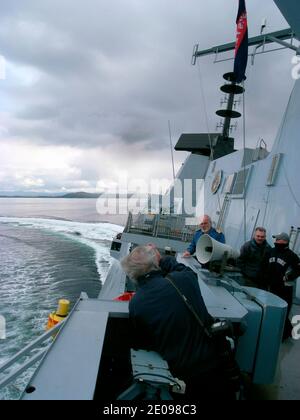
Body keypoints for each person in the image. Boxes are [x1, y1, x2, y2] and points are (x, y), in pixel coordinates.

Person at [121, 244, 236, 400]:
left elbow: (143, 341)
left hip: (184, 375)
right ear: (156, 263)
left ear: (132, 274)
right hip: (216, 363)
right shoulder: (184, 280)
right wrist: (162, 260)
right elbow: (184, 270)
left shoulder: (136, 303)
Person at [262, 232, 300, 340]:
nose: (276, 241)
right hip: (271, 287)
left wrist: (288, 277)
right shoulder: (270, 251)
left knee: (283, 311)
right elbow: (263, 265)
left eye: (278, 239)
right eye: (276, 239)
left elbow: (298, 269)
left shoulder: (292, 256)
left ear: (284, 241)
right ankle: (272, 331)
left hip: (285, 289)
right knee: (271, 309)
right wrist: (264, 279)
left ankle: (285, 334)